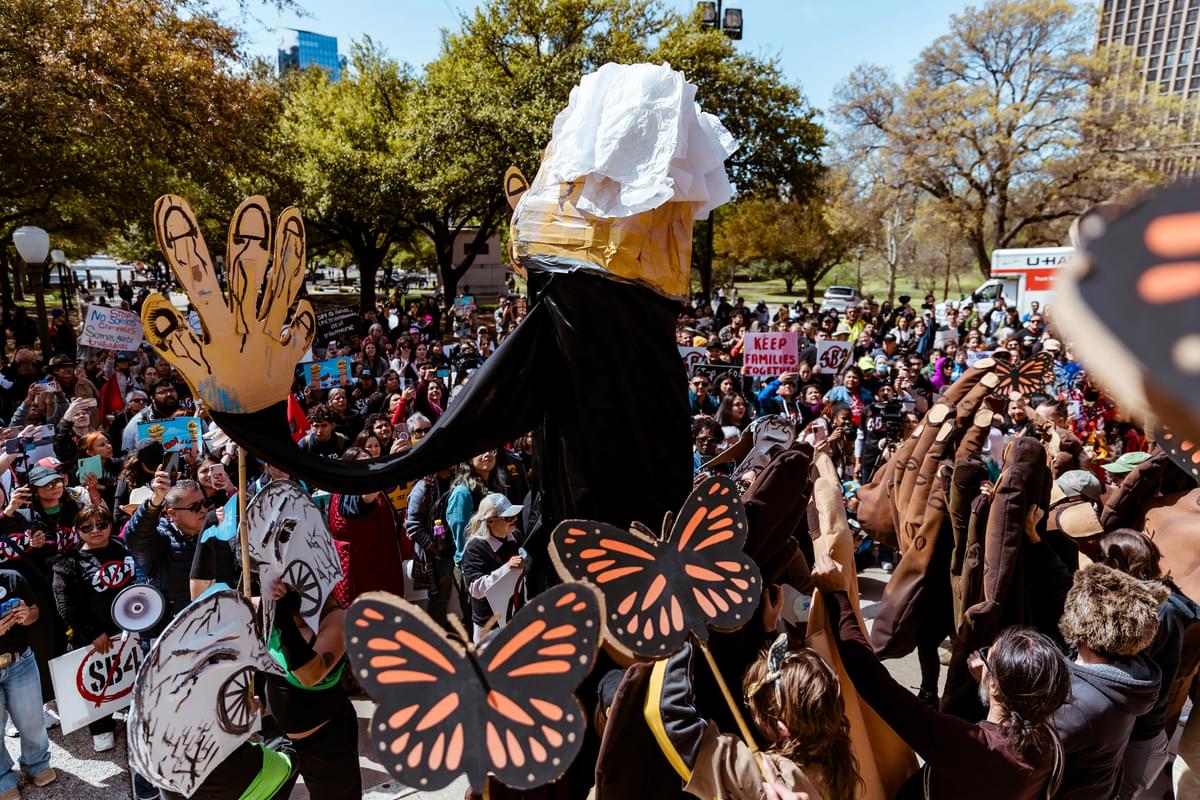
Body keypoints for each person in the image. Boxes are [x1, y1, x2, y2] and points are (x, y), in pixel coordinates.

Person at [811, 552, 1071, 799]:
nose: (980, 660)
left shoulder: (968, 747)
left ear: (996, 687)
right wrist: (992, 682)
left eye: (986, 656)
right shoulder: (1050, 746)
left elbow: (872, 680)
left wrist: (838, 596)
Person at [650, 635, 860, 800]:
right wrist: (768, 631)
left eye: (751, 705)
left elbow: (675, 723)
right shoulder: (837, 750)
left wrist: (675, 642)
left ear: (781, 728)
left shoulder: (770, 778)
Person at [1095, 531, 1200, 800]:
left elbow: (1130, 671)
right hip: (1142, 723)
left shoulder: (1158, 614)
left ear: (1118, 566)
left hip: (1140, 728)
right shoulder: (1156, 604)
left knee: (1122, 790)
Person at [1052, 563, 1163, 800]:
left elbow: (1021, 748)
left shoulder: (1078, 704)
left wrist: (990, 689)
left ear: (1077, 622)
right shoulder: (1129, 678)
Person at [50, 506, 137, 752]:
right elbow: (66, 606)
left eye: (102, 524)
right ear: (78, 531)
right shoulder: (67, 563)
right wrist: (92, 633)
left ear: (111, 525)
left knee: (131, 677)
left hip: (131, 630)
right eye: (87, 527)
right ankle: (100, 727)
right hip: (94, 639)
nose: (96, 531)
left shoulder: (125, 548)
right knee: (97, 685)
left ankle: (134, 711)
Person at [262, 579, 358, 800]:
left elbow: (308, 675)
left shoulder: (338, 620)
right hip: (279, 741)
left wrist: (284, 617)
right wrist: (204, 546)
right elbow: (204, 599)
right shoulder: (266, 611)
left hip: (327, 743)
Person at [0, 565, 54, 800]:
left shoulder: (11, 577)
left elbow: (35, 612)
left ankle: (37, 762)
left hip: (20, 660)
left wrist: (26, 615)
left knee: (33, 719)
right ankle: (2, 778)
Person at [328, 449, 404, 606]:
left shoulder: (363, 487)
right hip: (363, 577)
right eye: (362, 464)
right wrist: (391, 463)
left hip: (379, 570)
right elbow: (364, 501)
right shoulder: (350, 492)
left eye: (370, 463)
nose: (368, 468)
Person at [125, 472, 204, 621]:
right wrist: (155, 500)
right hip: (174, 630)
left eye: (205, 503)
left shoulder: (218, 531)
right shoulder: (160, 539)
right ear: (172, 514)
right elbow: (137, 537)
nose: (203, 510)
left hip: (217, 627)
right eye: (195, 507)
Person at [445, 451, 505, 634]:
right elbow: (460, 535)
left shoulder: (495, 484)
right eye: (481, 451)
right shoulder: (462, 493)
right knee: (481, 624)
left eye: (492, 450)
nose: (488, 454)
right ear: (469, 459)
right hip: (472, 567)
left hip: (495, 561)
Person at [460, 493, 526, 641]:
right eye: (508, 518)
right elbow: (475, 589)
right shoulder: (475, 548)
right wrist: (506, 569)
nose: (515, 520)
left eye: (515, 515)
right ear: (490, 521)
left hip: (515, 618)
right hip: (489, 626)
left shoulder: (516, 537)